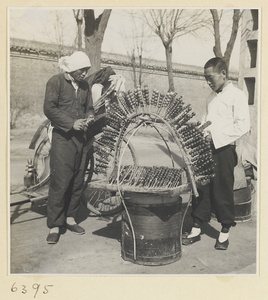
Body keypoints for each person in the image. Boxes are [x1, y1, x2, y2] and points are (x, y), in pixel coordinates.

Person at [182, 57, 251, 250]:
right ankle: (196, 228)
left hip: (224, 150)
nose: (208, 82)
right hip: (206, 148)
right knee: (201, 187)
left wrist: (216, 136)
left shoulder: (237, 96)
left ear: (223, 73)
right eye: (205, 78)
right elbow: (207, 119)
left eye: (210, 77)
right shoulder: (211, 97)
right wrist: (200, 129)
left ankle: (224, 231)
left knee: (222, 189)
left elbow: (243, 125)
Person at [44, 51, 95, 244]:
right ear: (72, 69)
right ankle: (55, 225)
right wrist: (71, 123)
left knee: (77, 179)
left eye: (87, 70)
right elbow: (49, 109)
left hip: (80, 139)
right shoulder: (55, 82)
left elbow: (89, 107)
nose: (84, 73)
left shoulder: (84, 86)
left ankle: (70, 218)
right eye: (82, 70)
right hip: (62, 138)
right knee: (61, 181)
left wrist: (89, 116)